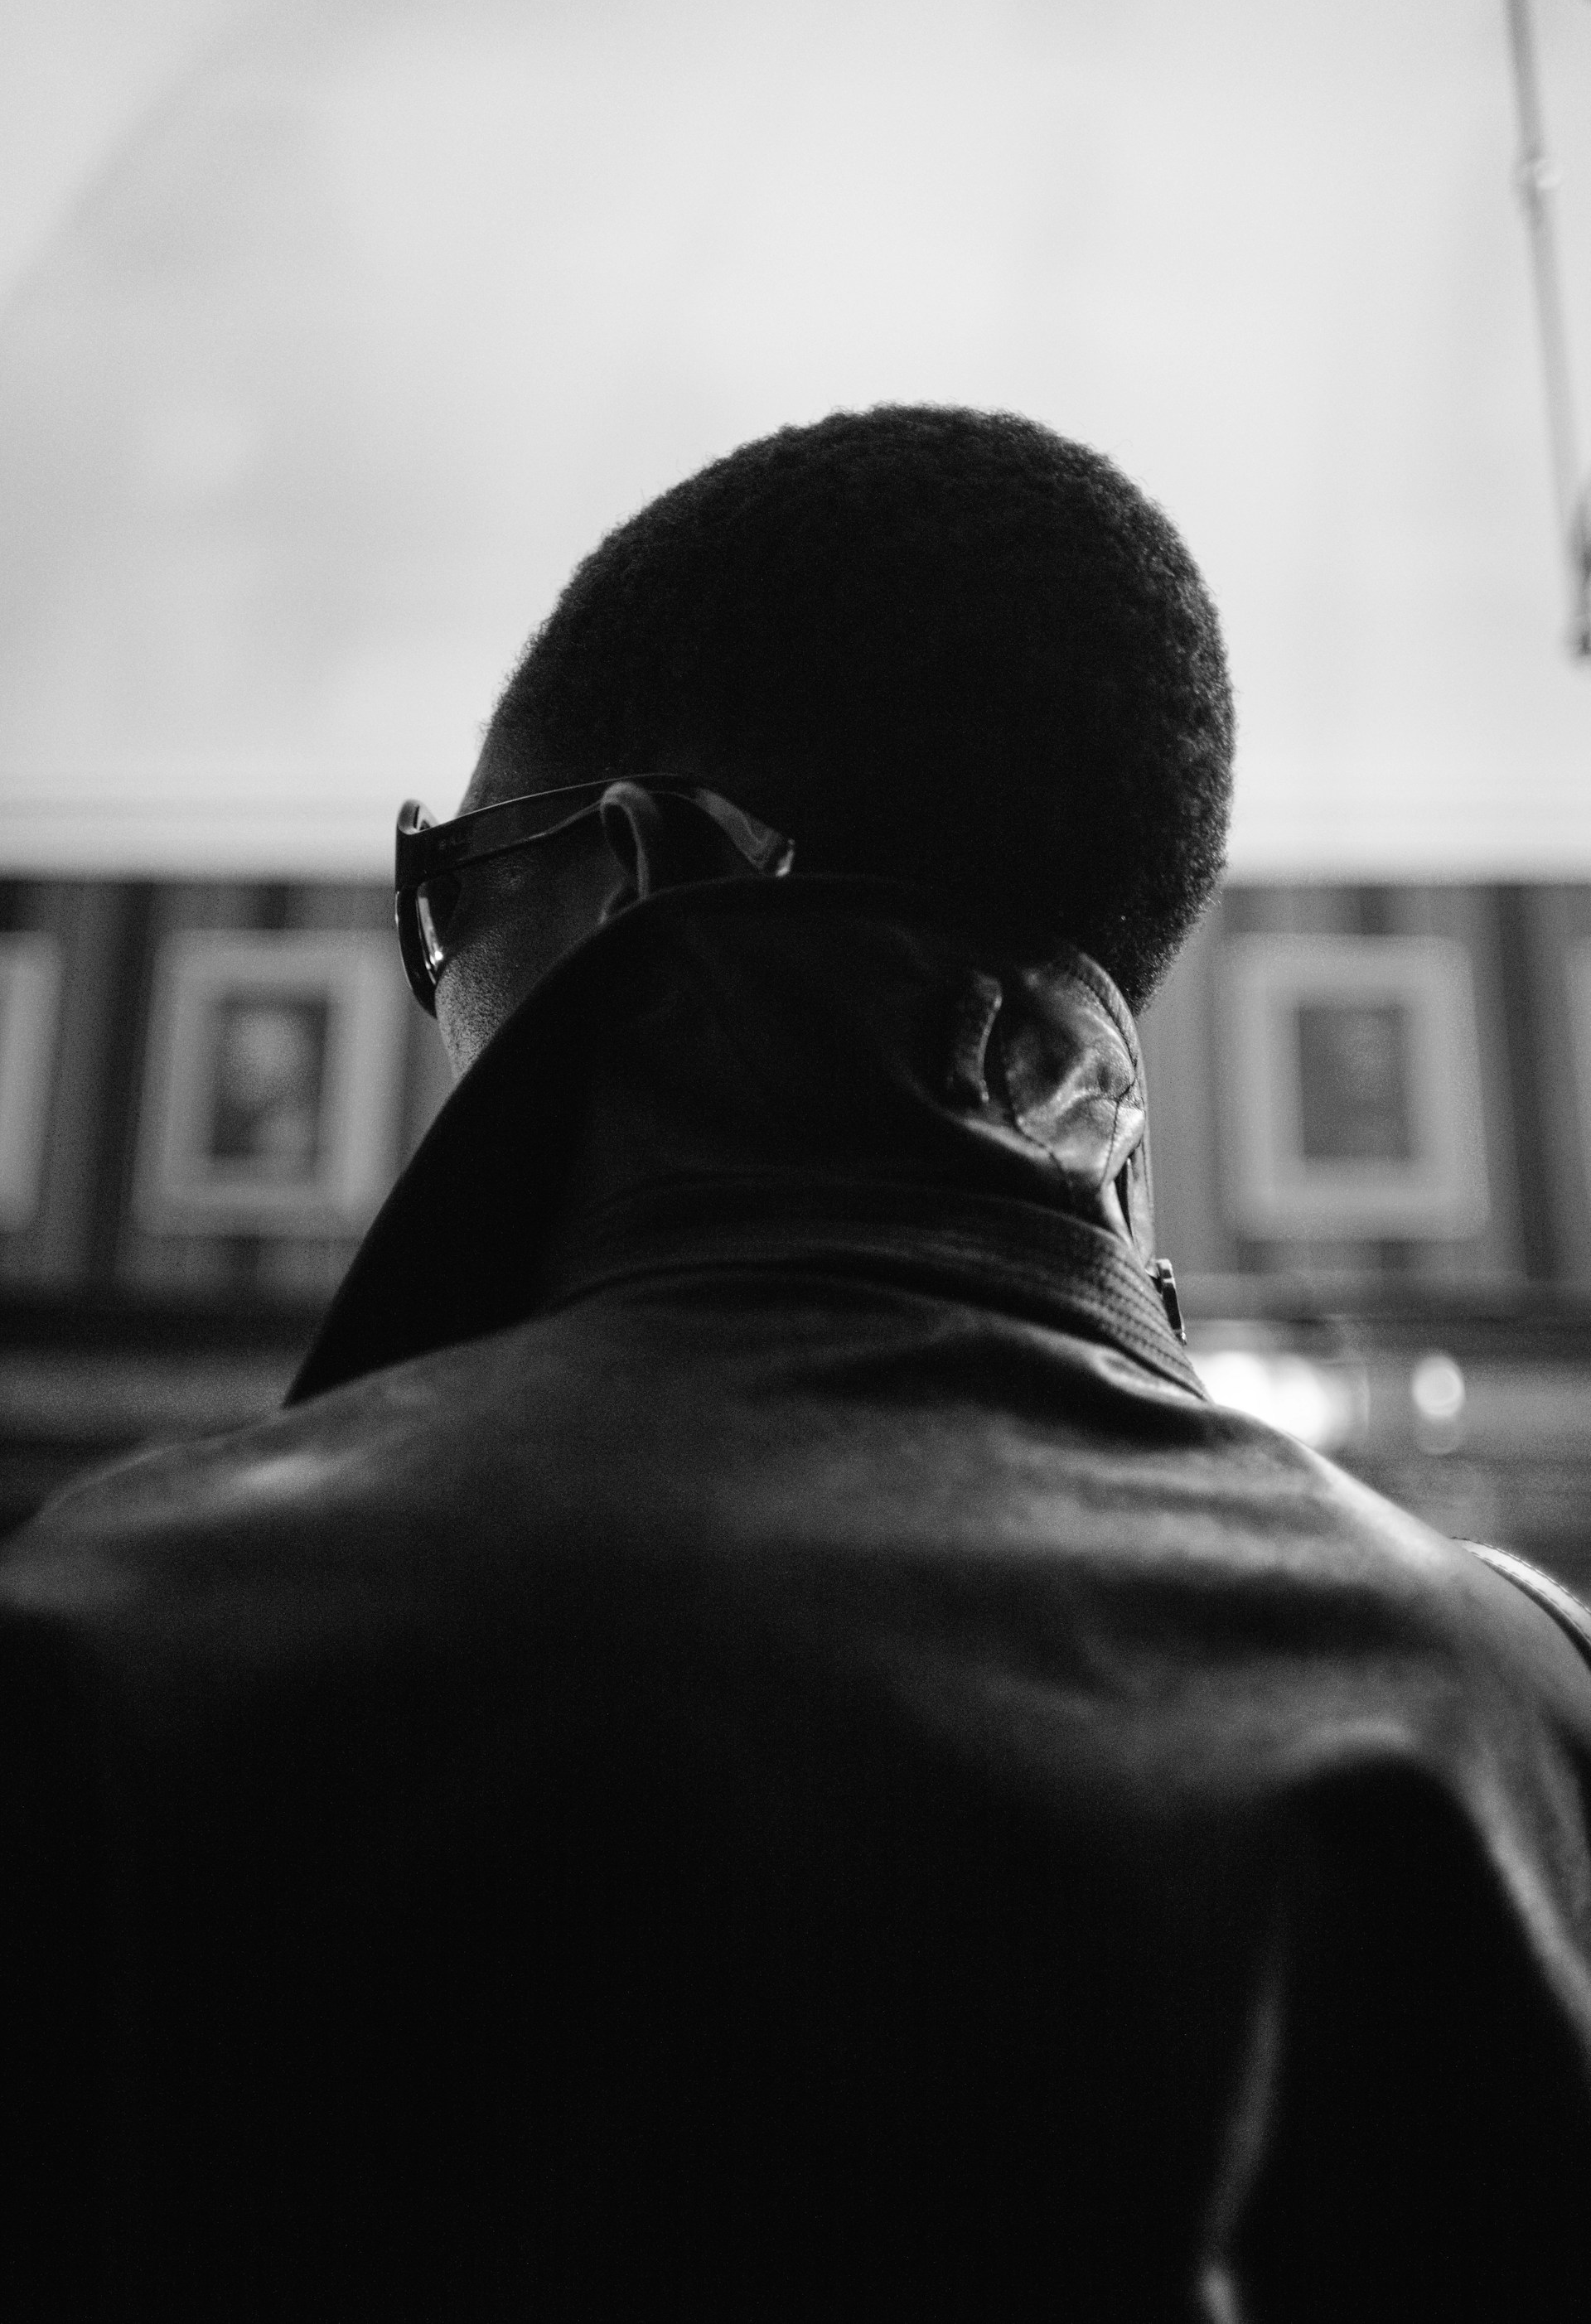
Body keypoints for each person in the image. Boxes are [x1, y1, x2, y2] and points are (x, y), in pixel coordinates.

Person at [2, 405, 1590, 2322]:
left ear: (636, 870)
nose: (438, 1008)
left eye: (452, 906)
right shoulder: (1517, 1711)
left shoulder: (117, 1638)